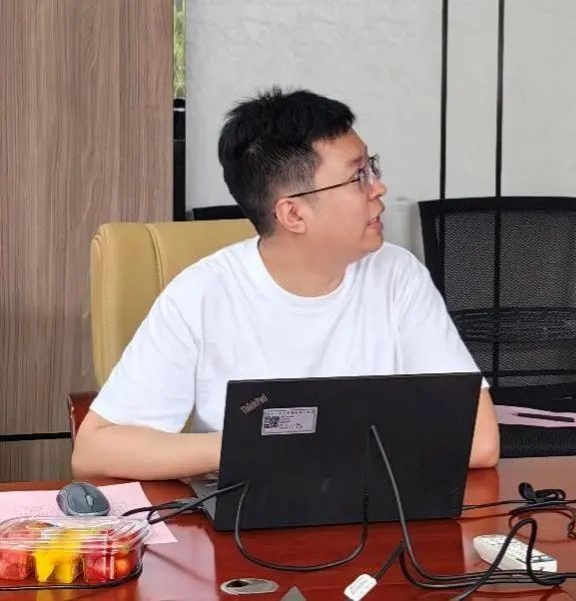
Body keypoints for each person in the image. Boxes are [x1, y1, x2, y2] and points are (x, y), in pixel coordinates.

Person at [72, 87, 499, 481]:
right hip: (244, 520)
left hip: (377, 513)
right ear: (293, 214)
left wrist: (307, 445)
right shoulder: (202, 294)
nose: (379, 188)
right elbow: (95, 450)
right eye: (358, 177)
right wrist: (249, 446)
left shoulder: (398, 276)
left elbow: (479, 441)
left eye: (372, 167)